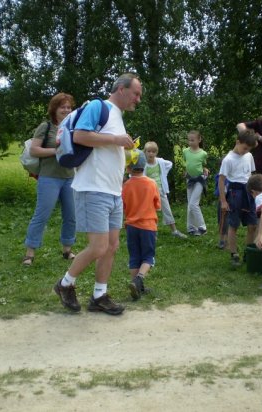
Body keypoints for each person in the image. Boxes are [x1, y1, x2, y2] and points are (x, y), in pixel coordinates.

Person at [53, 73, 141, 316]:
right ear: (121, 89)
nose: (138, 99)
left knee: (111, 246)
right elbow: (80, 136)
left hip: (112, 191)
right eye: (136, 93)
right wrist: (116, 140)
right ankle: (64, 284)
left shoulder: (117, 116)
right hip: (92, 188)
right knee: (99, 246)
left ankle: (99, 296)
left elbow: (104, 149)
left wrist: (124, 153)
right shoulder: (98, 106)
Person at [23, 93, 77, 266]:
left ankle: (67, 250)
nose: (67, 110)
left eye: (69, 107)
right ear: (55, 109)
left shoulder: (73, 127)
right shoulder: (46, 127)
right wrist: (56, 151)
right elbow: (34, 150)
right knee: (42, 214)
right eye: (63, 107)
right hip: (49, 177)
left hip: (70, 177)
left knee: (71, 215)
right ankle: (30, 253)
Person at [122, 150, 161, 300]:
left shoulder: (126, 185)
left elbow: (124, 205)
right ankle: (139, 279)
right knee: (148, 256)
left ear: (128, 168)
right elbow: (157, 205)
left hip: (131, 226)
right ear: (144, 165)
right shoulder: (151, 184)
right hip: (148, 226)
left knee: (134, 257)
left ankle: (138, 287)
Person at [218, 129, 258, 266]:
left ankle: (249, 251)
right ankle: (234, 254)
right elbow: (221, 180)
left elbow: (251, 175)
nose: (246, 151)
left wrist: (255, 193)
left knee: (253, 224)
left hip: (249, 192)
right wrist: (223, 201)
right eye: (244, 148)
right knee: (234, 224)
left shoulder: (249, 156)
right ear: (237, 142)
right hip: (235, 193)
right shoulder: (228, 159)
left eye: (248, 149)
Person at [143, 141, 187, 239]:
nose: (151, 154)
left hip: (161, 191)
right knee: (152, 212)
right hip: (150, 193)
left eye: (153, 152)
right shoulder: (144, 165)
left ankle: (174, 230)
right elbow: (139, 175)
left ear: (156, 153)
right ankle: (153, 232)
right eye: (149, 151)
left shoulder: (160, 161)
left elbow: (169, 164)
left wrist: (164, 174)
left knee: (167, 210)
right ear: (145, 152)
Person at [183, 130, 209, 236]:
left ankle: (202, 227)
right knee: (190, 204)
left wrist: (205, 169)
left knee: (194, 203)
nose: (190, 142)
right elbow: (188, 164)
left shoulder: (203, 153)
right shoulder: (185, 151)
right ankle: (191, 228)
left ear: (199, 140)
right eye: (189, 140)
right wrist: (186, 172)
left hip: (199, 180)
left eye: (193, 140)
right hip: (190, 179)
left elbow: (203, 165)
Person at [214, 170, 229, 249]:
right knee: (221, 220)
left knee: (228, 221)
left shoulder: (233, 177)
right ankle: (222, 239)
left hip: (231, 200)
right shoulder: (219, 177)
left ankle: (226, 240)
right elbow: (218, 190)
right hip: (222, 201)